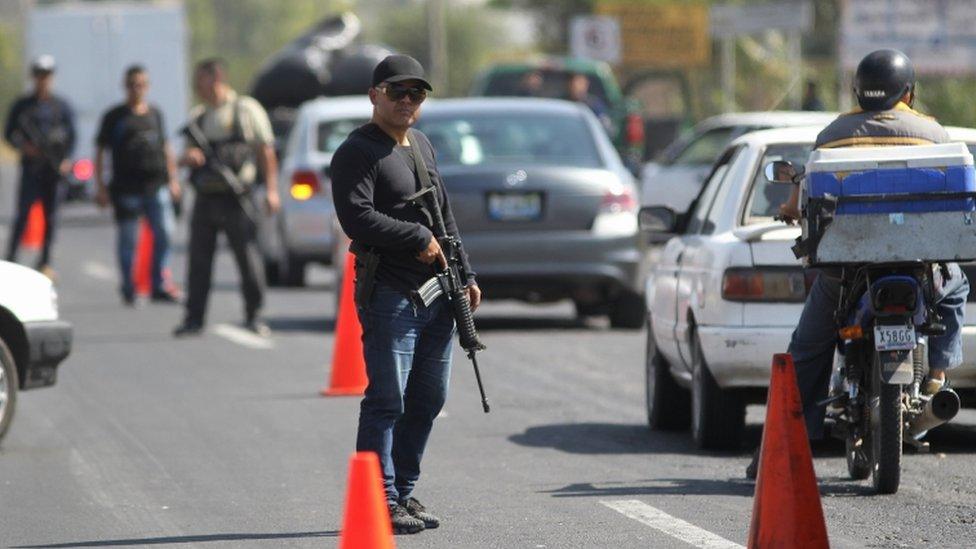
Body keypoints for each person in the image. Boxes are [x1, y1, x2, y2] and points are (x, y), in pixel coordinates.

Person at [747, 49, 970, 479]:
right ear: (909, 92)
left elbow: (803, 198)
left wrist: (792, 211)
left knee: (807, 350)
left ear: (857, 92)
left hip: (846, 270)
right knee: (956, 286)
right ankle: (937, 376)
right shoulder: (933, 132)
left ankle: (776, 450)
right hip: (921, 267)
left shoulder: (832, 134)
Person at [330, 54, 481, 535]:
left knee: (427, 399)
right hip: (391, 294)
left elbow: (443, 215)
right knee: (387, 400)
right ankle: (382, 498)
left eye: (416, 94)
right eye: (398, 92)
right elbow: (356, 217)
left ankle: (405, 490)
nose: (407, 101)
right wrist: (416, 239)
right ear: (375, 95)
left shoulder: (420, 145)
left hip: (440, 293)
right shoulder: (357, 151)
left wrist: (467, 273)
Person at [173, 58, 280, 337]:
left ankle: (254, 315)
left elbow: (265, 151)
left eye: (202, 79)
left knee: (248, 259)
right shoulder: (199, 116)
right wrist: (190, 157)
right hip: (206, 197)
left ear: (217, 77)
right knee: (198, 261)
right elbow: (184, 155)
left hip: (237, 198)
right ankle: (194, 317)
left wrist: (271, 190)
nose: (197, 86)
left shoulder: (245, 109)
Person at [95, 65, 182, 305]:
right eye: (132, 85)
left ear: (148, 86)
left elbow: (166, 147)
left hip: (156, 185)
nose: (137, 90)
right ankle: (128, 286)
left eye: (141, 85)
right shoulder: (115, 117)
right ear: (126, 87)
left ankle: (159, 282)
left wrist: (173, 180)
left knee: (165, 232)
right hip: (126, 188)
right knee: (128, 240)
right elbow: (101, 151)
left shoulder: (155, 114)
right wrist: (100, 186)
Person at [3, 55, 76, 278]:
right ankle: (11, 259)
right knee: (23, 215)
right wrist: (24, 148)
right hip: (32, 168)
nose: (43, 80)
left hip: (52, 170)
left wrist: (65, 160)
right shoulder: (23, 106)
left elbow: (71, 136)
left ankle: (44, 261)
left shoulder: (60, 106)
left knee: (51, 217)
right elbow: (9, 133)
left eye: (47, 76)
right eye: (39, 76)